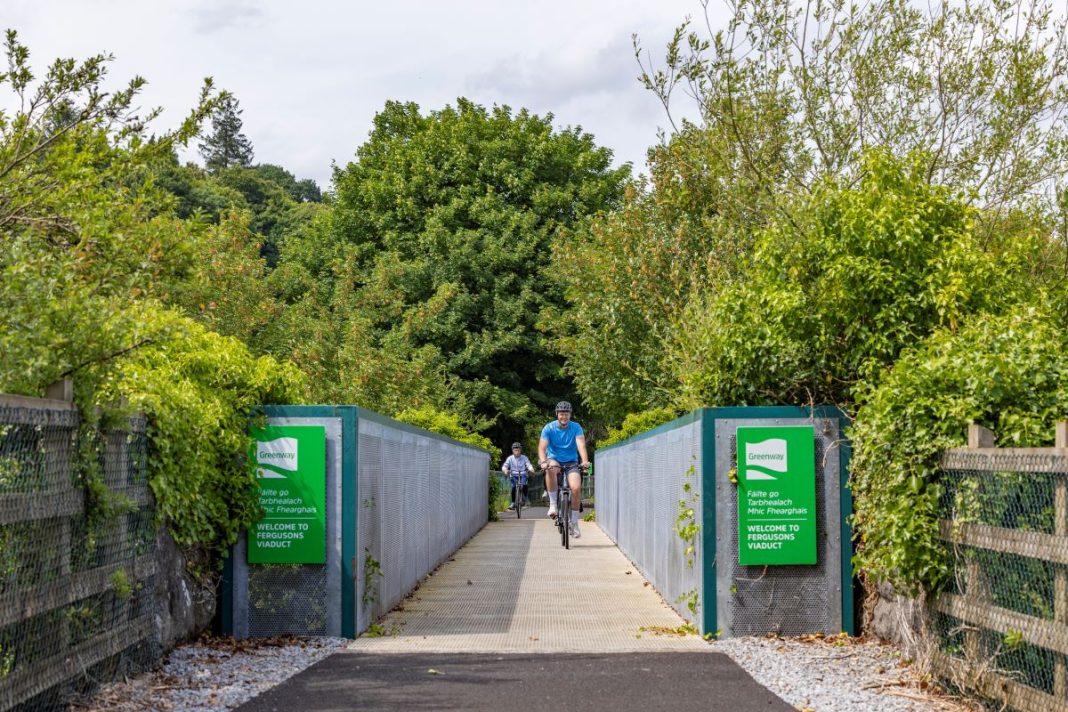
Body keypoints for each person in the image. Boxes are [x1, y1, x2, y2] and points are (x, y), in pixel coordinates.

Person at [537, 401, 590, 538]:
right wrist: (543, 462)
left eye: (566, 414)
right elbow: (542, 448)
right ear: (557, 414)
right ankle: (553, 505)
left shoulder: (576, 427)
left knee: (576, 488)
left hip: (572, 462)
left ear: (570, 415)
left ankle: (574, 522)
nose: (564, 417)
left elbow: (581, 445)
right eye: (561, 414)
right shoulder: (549, 428)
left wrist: (584, 461)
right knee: (550, 469)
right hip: (554, 459)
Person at [501, 442, 534, 510]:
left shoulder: (524, 458)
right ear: (513, 450)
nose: (517, 452)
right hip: (513, 475)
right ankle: (513, 502)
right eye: (515, 450)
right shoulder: (510, 458)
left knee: (524, 485)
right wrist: (505, 470)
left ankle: (525, 498)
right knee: (513, 487)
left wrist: (531, 470)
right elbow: (504, 466)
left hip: (523, 474)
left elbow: (529, 465)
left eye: (518, 450)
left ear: (520, 450)